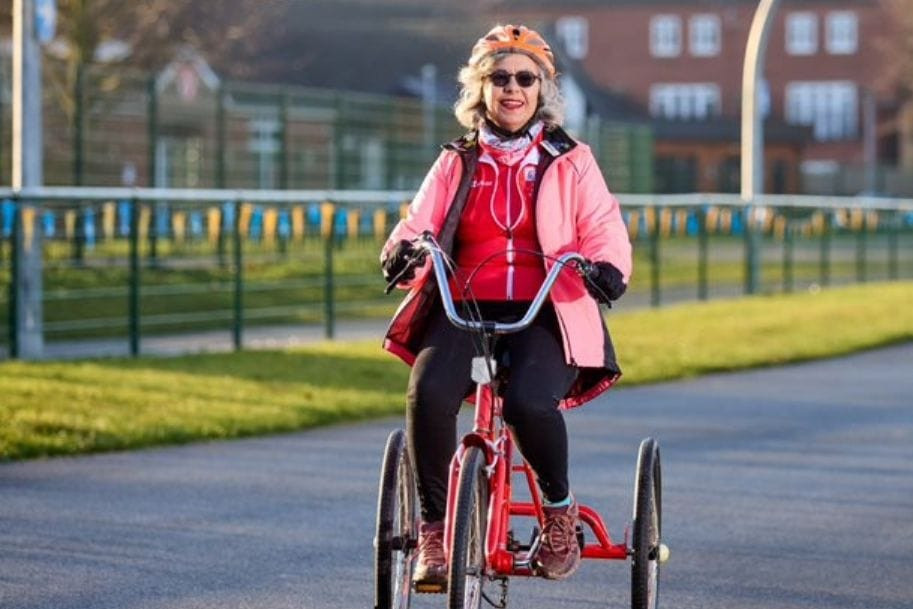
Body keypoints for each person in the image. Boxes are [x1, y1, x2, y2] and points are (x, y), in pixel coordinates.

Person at [380, 24, 633, 586]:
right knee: (428, 392)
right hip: (464, 306)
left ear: (543, 89)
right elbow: (419, 222)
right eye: (499, 78)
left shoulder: (572, 159)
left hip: (546, 308)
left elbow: (602, 226)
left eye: (525, 78)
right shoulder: (457, 159)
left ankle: (559, 513)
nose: (512, 88)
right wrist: (403, 252)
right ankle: (435, 532)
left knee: (528, 403)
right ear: (481, 87)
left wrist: (606, 267)